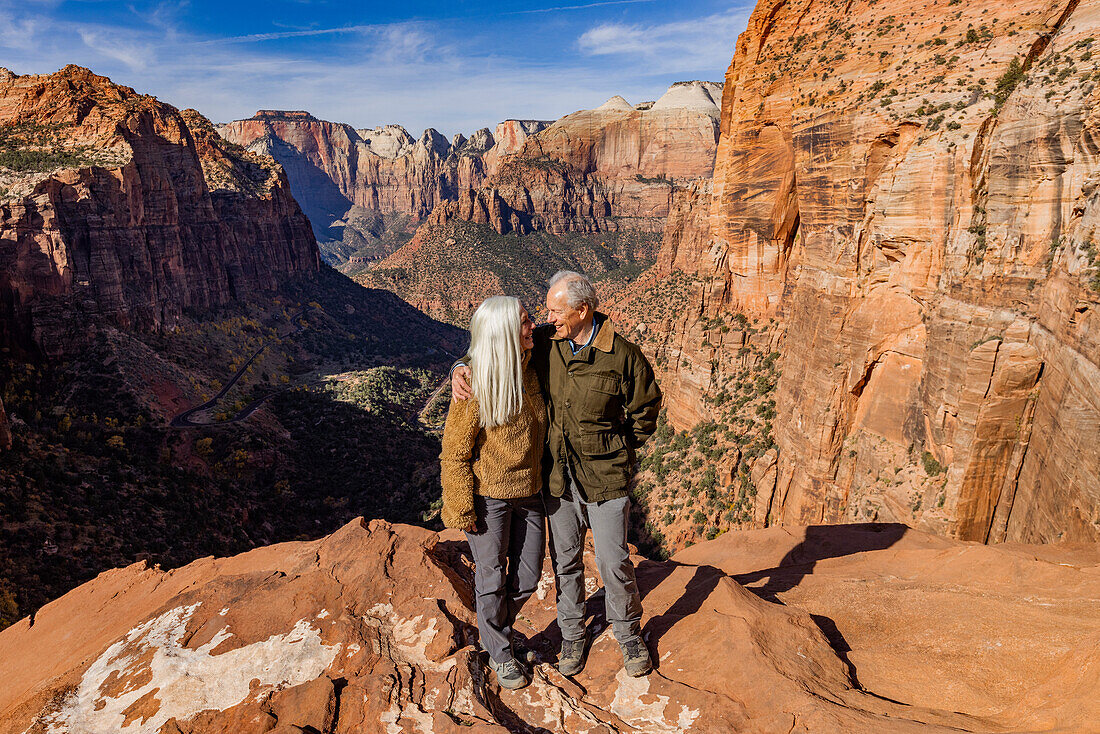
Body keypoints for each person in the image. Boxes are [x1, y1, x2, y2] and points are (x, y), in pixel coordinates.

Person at [453, 271, 661, 678]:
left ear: (582, 310)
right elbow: (493, 347)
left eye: (554, 310)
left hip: (605, 480)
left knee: (614, 561)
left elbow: (646, 410)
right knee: (565, 563)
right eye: (543, 312)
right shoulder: (547, 342)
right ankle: (571, 637)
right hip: (555, 481)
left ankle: (629, 635)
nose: (546, 318)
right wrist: (460, 368)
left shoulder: (622, 355)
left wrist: (618, 448)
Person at [440, 296, 547, 691]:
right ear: (505, 332)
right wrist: (460, 509)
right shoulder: (475, 388)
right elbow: (454, 454)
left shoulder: (533, 363)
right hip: (489, 500)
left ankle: (496, 631)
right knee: (490, 579)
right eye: (524, 321)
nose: (533, 325)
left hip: (531, 493)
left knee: (529, 574)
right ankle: (500, 653)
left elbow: (581, 325)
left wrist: (456, 364)